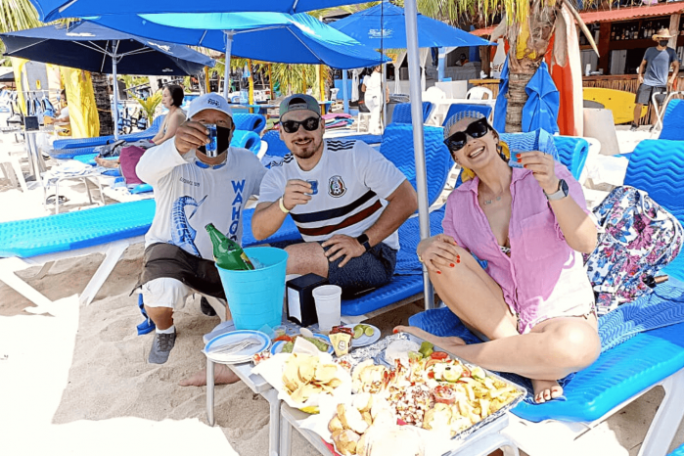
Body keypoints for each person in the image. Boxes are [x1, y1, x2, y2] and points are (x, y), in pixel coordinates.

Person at [395, 113, 600, 404]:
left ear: (494, 137)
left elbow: (585, 241)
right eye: (458, 140)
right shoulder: (459, 202)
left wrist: (555, 190)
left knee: (579, 346)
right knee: (438, 255)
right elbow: (453, 261)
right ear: (456, 158)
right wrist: (423, 247)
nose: (470, 141)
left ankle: (453, 352)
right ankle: (534, 365)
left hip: (561, 309)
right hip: (502, 314)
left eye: (477, 130)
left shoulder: (546, 177)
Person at [134, 93, 266, 367]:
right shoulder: (173, 159)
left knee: (250, 300)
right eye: (202, 122)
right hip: (171, 250)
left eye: (220, 122)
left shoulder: (247, 162)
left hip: (223, 255)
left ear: (231, 130)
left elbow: (270, 189)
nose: (212, 127)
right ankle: (164, 330)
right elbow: (142, 170)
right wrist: (176, 146)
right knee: (160, 291)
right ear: (189, 125)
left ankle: (210, 295)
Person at [252, 94, 418, 299]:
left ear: (322, 126)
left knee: (290, 259)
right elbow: (259, 230)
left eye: (310, 123)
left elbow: (408, 199)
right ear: (281, 133)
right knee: (252, 259)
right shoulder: (278, 173)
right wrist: (283, 204)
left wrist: (362, 242)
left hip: (373, 253)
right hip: (324, 248)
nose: (301, 132)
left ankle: (257, 316)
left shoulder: (354, 154)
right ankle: (237, 326)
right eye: (291, 126)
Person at [95, 84, 186, 168]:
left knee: (136, 149)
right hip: (163, 144)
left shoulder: (176, 115)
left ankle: (117, 164)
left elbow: (167, 138)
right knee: (134, 146)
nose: (162, 99)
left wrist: (148, 147)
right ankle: (117, 162)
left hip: (169, 147)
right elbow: (160, 134)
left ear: (174, 98)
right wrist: (149, 143)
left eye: (165, 96)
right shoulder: (170, 113)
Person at [631, 28, 680, 131]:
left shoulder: (671, 52)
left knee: (656, 105)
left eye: (666, 38)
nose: (664, 40)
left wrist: (672, 78)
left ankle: (653, 126)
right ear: (657, 39)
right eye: (662, 38)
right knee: (639, 103)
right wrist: (640, 75)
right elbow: (642, 64)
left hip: (661, 83)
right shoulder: (650, 50)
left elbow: (676, 66)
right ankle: (635, 124)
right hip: (647, 81)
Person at [364, 65, 385, 135]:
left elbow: (363, 89)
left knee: (373, 113)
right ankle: (371, 130)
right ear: (376, 67)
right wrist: (387, 97)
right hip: (375, 96)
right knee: (375, 113)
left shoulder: (367, 77)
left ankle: (375, 128)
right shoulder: (380, 76)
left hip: (367, 97)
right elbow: (385, 87)